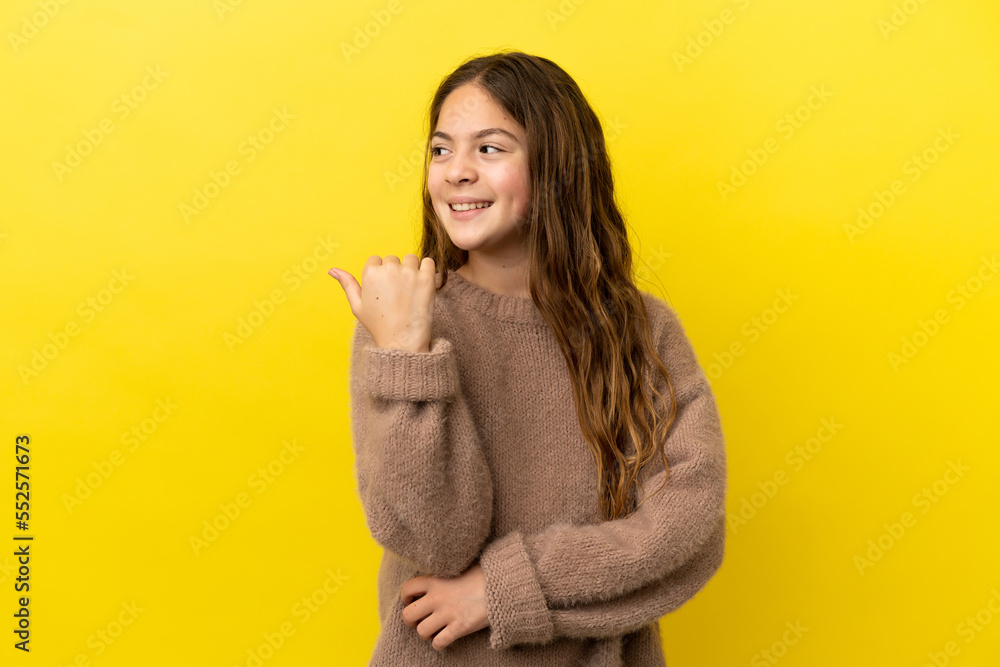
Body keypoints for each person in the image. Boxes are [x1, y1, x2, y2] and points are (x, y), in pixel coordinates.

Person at [329, 50, 727, 666]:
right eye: (441, 149)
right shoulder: (402, 325)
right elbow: (437, 541)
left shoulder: (642, 329)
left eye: (489, 148)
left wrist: (503, 589)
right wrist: (406, 354)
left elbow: (686, 534)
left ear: (557, 168)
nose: (456, 171)